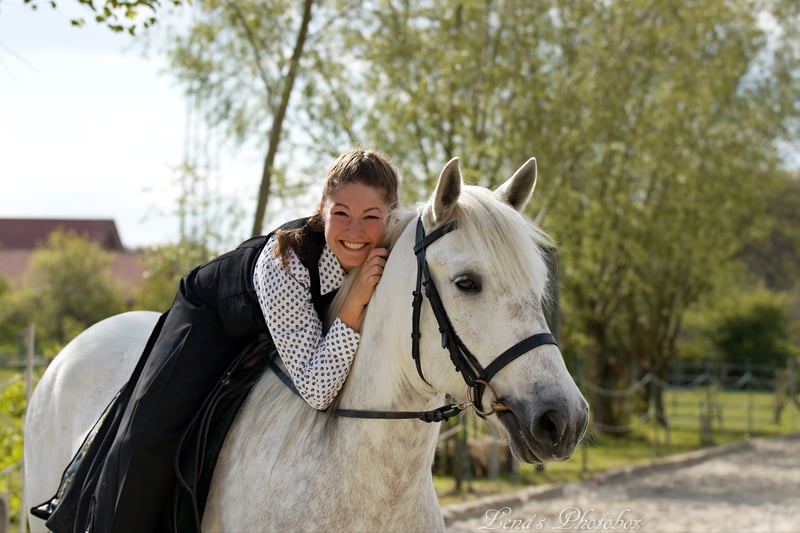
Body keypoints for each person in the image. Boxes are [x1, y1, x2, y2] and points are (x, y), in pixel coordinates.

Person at [74, 148, 398, 532]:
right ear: (321, 210)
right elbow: (317, 390)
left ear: (391, 216)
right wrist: (355, 302)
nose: (355, 232)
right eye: (341, 213)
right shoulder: (286, 260)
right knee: (148, 435)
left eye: (370, 217)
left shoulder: (394, 255)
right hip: (212, 316)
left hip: (278, 334)